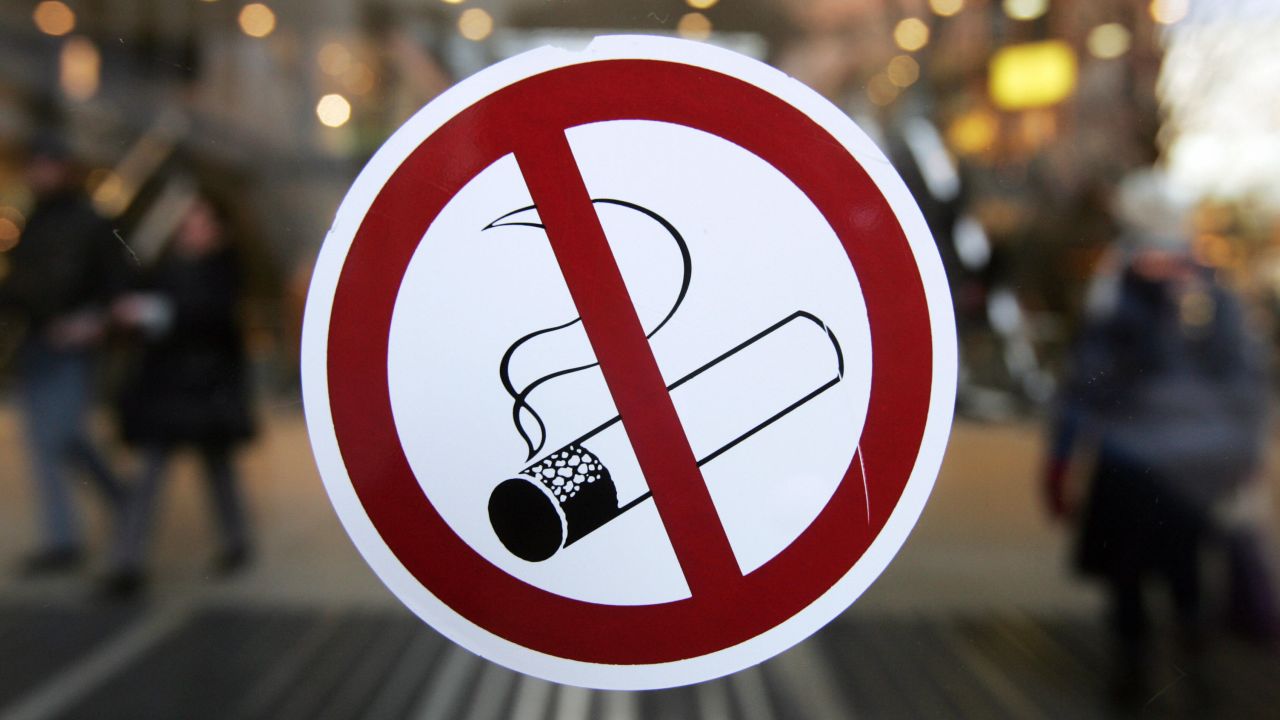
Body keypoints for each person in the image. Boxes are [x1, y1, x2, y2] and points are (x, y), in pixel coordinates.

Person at [1045, 168, 1269, 705]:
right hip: (1172, 467)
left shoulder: (1122, 294)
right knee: (1166, 575)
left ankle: (1157, 673)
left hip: (1144, 466)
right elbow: (1245, 380)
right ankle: (1171, 671)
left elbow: (1085, 384)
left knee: (1157, 575)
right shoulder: (1204, 294)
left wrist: (1060, 457)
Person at [102, 191, 256, 596]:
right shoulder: (164, 267)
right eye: (188, 223)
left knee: (218, 471)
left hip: (206, 387)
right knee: (150, 474)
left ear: (220, 231)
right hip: (168, 388)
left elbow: (213, 319)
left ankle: (235, 543)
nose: (193, 231)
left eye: (202, 223)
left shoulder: (223, 271)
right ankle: (127, 563)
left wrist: (159, 313)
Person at [0, 135, 126, 575]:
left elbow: (118, 286)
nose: (39, 174)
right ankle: (63, 539)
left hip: (72, 347)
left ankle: (119, 497)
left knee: (64, 435)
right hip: (37, 344)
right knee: (41, 444)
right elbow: (20, 287)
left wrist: (89, 323)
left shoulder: (91, 222)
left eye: (46, 166)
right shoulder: (33, 222)